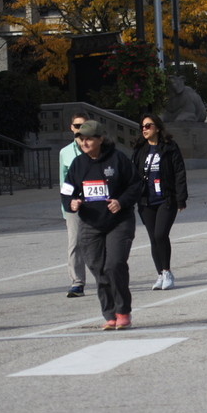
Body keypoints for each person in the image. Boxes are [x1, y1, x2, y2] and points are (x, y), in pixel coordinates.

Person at [61, 121, 143, 330]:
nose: (84, 142)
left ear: (100, 139)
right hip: (90, 223)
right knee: (98, 268)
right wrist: (71, 202)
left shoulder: (118, 159)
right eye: (81, 138)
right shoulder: (78, 164)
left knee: (114, 264)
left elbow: (136, 184)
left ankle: (123, 311)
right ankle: (110, 314)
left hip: (119, 221)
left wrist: (121, 201)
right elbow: (67, 190)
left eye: (89, 138)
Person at [131, 114, 188, 291]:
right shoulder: (140, 149)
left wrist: (181, 198)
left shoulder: (169, 147)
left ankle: (167, 271)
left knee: (160, 234)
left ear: (157, 127)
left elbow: (179, 172)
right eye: (142, 127)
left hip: (166, 198)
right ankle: (160, 274)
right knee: (153, 238)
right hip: (146, 200)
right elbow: (133, 174)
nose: (144, 129)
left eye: (148, 126)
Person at [59, 112, 89, 298]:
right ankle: (77, 282)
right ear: (72, 128)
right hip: (74, 204)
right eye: (77, 126)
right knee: (75, 243)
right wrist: (66, 207)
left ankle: (107, 278)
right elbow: (63, 182)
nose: (80, 130)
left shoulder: (96, 148)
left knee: (100, 242)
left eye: (84, 126)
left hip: (97, 202)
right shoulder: (65, 152)